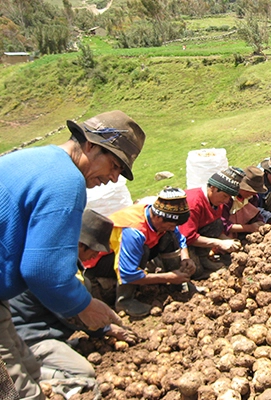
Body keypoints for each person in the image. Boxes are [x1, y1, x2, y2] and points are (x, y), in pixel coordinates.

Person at [0, 110, 145, 400]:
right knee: (15, 392)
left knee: (29, 369)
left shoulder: (34, 160)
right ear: (90, 144)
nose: (113, 178)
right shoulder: (66, 180)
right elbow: (43, 270)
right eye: (114, 164)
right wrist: (84, 306)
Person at [10, 210, 137, 398]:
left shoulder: (56, 254)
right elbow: (71, 314)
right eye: (94, 251)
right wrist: (107, 329)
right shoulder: (54, 268)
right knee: (83, 373)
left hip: (41, 327)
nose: (94, 256)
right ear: (81, 245)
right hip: (29, 336)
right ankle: (23, 374)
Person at [84, 187, 196, 317]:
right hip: (98, 263)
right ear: (159, 219)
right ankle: (124, 301)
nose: (173, 228)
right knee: (142, 250)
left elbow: (179, 237)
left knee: (169, 236)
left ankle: (178, 284)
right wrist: (168, 277)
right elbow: (128, 273)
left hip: (127, 253)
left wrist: (185, 258)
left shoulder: (157, 214)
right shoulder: (133, 232)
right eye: (171, 225)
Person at [179, 167, 245, 279]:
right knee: (196, 271)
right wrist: (219, 243)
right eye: (224, 196)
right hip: (178, 241)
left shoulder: (216, 202)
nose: (226, 201)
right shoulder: (193, 203)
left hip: (196, 233)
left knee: (217, 224)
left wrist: (226, 240)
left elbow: (214, 227)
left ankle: (203, 257)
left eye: (229, 197)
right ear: (213, 188)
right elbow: (186, 237)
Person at [222, 166, 270, 238]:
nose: (253, 194)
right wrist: (249, 228)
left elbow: (255, 212)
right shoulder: (226, 200)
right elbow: (223, 225)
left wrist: (259, 222)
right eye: (249, 191)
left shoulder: (252, 197)